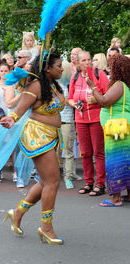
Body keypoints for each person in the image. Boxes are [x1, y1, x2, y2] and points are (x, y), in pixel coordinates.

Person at [0, 53, 65, 244]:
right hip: (38, 136)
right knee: (52, 182)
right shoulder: (36, 85)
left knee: (46, 182)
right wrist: (12, 118)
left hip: (50, 135)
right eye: (59, 65)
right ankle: (46, 227)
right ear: (47, 68)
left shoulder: (52, 84)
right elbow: (21, 108)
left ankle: (17, 212)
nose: (62, 68)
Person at [87, 54, 130, 206]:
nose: (108, 69)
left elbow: (105, 101)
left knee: (115, 162)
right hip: (121, 125)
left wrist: (93, 87)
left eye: (111, 67)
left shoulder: (118, 85)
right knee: (125, 161)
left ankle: (116, 199)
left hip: (117, 127)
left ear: (118, 69)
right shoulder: (124, 85)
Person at [68, 51, 108, 196]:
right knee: (85, 153)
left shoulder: (99, 74)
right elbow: (70, 98)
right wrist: (74, 104)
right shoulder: (75, 76)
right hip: (81, 119)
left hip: (97, 118)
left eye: (89, 60)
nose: (87, 63)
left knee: (98, 152)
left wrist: (96, 99)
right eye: (84, 60)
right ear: (78, 63)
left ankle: (100, 183)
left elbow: (108, 95)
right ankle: (89, 182)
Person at [59, 60, 82, 189]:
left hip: (67, 120)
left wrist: (69, 101)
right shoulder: (52, 84)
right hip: (54, 120)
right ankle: (53, 176)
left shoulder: (70, 84)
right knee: (53, 151)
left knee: (68, 150)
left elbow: (71, 99)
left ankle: (68, 176)